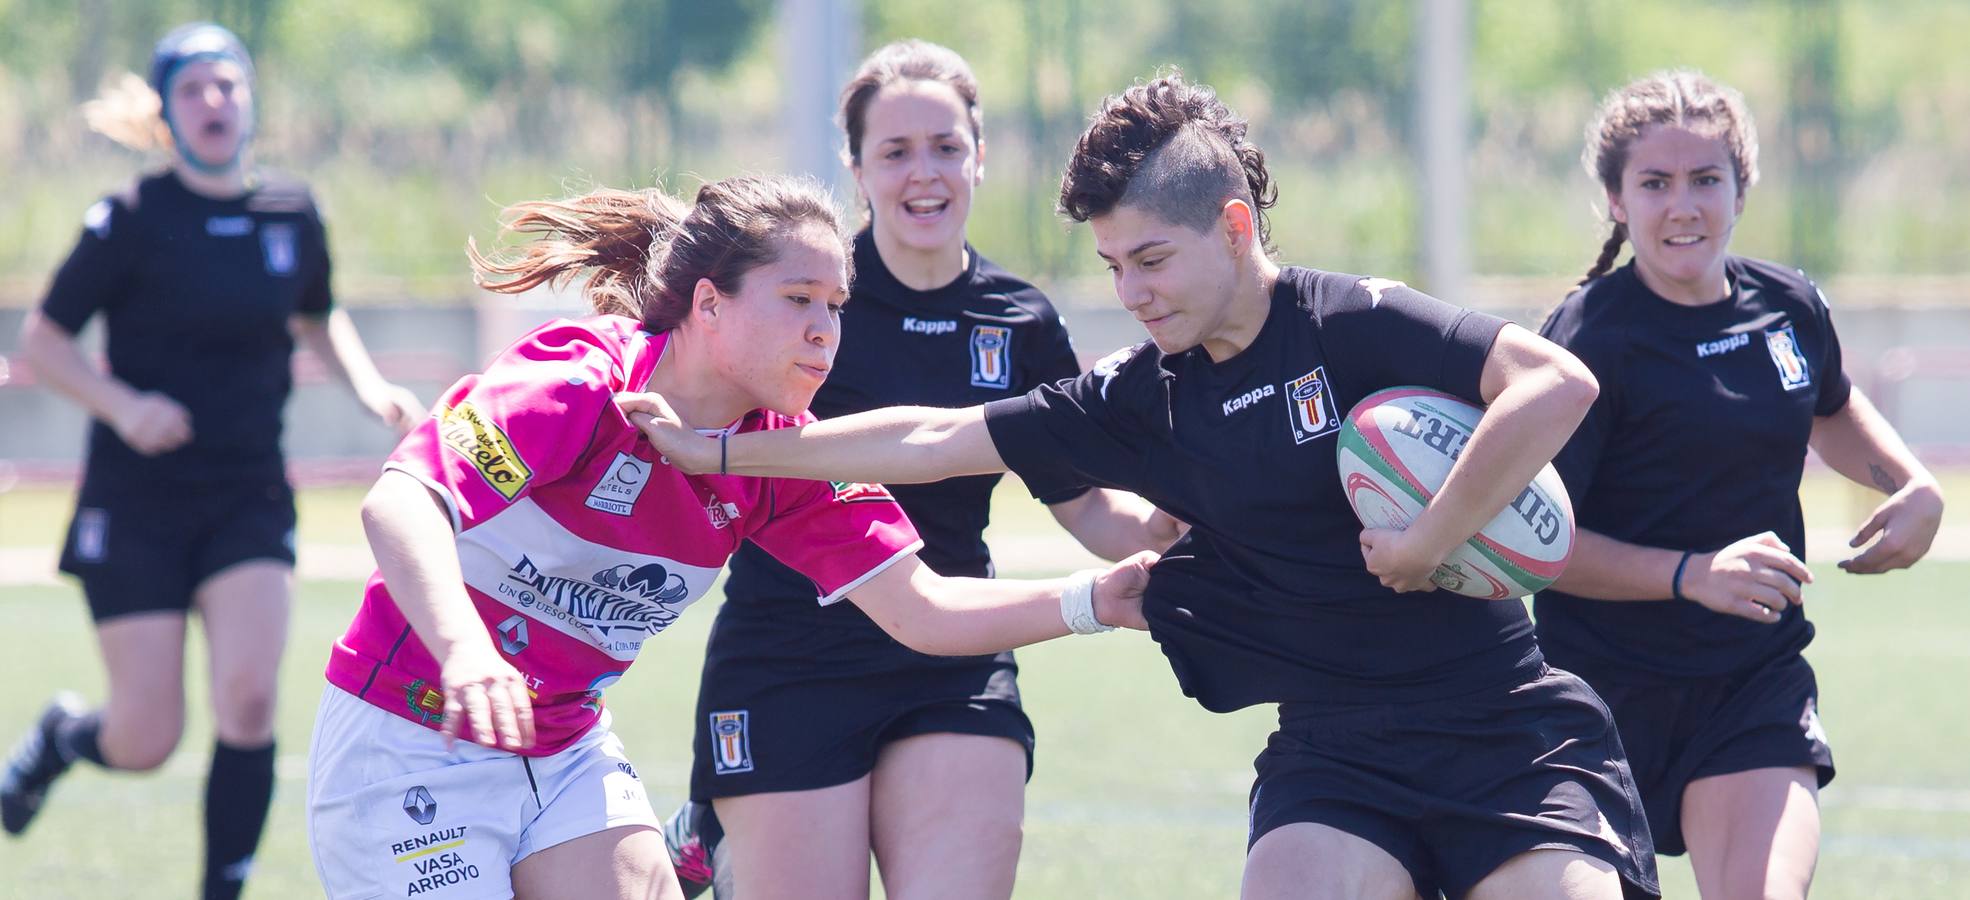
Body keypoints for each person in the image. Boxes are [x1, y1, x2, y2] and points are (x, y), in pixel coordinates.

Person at [621, 72, 1661, 900]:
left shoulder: (1352, 322)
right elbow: (934, 438)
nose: (1130, 293)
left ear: (1236, 225)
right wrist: (719, 453)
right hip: (1334, 753)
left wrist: (1431, 537)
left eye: (1151, 259)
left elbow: (1553, 383)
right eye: (1114, 266)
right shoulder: (1140, 396)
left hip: (1506, 732)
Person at [305, 173, 1156, 900]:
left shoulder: (778, 453)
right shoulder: (580, 382)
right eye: (797, 300)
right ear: (708, 303)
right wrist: (462, 651)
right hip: (409, 739)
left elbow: (922, 609)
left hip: (561, 753)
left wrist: (1096, 600)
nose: (825, 329)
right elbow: (402, 502)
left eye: (835, 306)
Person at [655, 40, 1182, 900]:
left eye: (945, 146)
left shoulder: (1019, 322)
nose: (923, 172)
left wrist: (1163, 527)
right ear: (856, 169)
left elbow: (1082, 501)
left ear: (979, 155)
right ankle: (718, 824)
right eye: (895, 152)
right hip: (792, 652)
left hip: (953, 645)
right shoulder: (806, 299)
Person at [0, 22, 422, 900]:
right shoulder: (129, 218)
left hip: (248, 494)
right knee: (145, 738)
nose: (214, 102)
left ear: (250, 99)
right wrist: (125, 406)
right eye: (193, 89)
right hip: (137, 498)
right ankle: (61, 738)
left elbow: (317, 313)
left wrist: (370, 387)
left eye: (227, 84)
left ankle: (221, 888)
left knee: (252, 701)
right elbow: (43, 342)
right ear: (166, 111)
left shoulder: (290, 212)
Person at [1534, 70, 1944, 900]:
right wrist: (1692, 575)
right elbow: (1537, 546)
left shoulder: (1788, 307)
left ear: (1740, 189)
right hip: (1598, 696)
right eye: (1655, 183)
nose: (1682, 205)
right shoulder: (1583, 344)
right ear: (1616, 200)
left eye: (1705, 180)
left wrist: (1911, 485)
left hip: (1750, 681)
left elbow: (1827, 404)